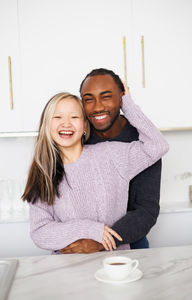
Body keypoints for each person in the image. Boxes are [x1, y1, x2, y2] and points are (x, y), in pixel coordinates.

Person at [22, 86, 168, 254]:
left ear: (85, 126)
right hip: (68, 268)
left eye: (74, 117)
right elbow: (40, 232)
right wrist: (90, 229)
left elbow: (158, 145)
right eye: (58, 117)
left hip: (114, 264)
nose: (66, 123)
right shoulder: (42, 172)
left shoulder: (111, 155)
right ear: (47, 125)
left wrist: (127, 104)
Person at [60, 69, 163, 254]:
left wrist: (102, 242)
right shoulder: (76, 137)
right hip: (80, 244)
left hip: (130, 243)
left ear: (122, 98)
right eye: (88, 99)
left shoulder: (143, 141)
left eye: (106, 97)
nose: (98, 107)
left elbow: (146, 210)